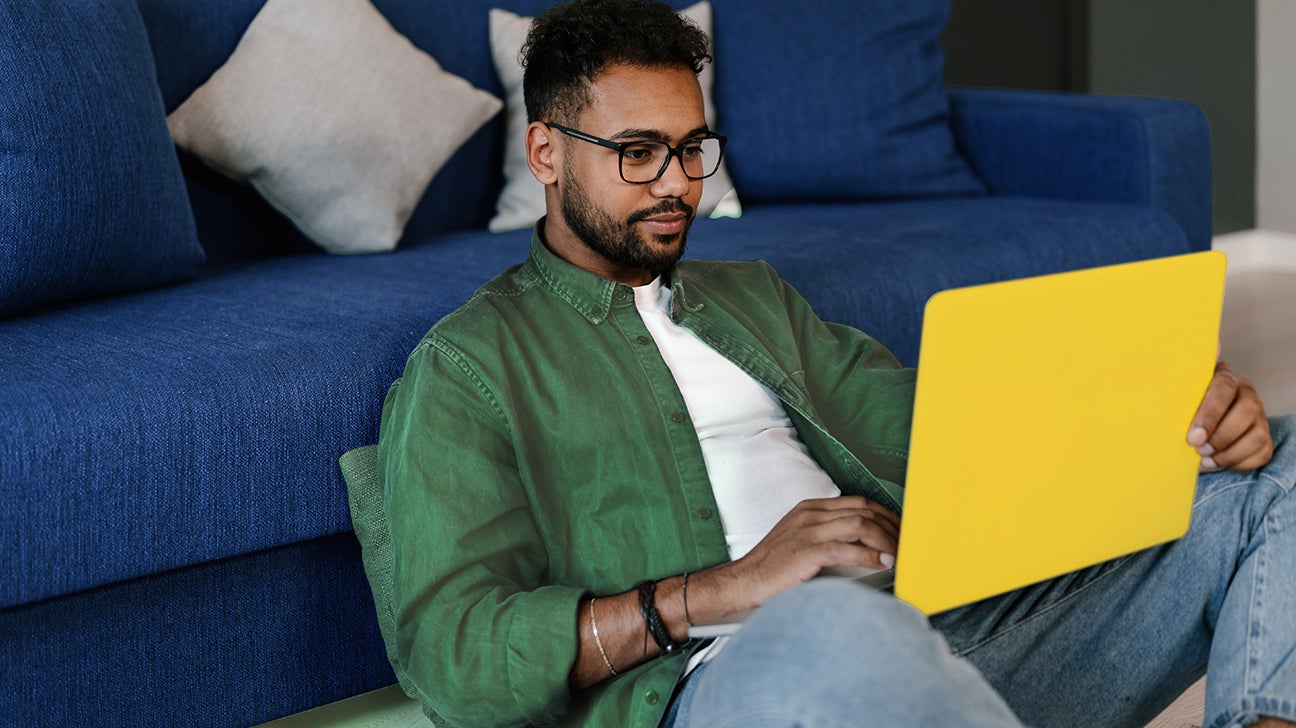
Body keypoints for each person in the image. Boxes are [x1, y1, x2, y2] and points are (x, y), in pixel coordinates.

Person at [377, 1, 1296, 725]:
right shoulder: (469, 367)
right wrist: (727, 588)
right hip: (743, 682)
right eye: (638, 153)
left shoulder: (753, 297)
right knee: (831, 625)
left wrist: (1173, 422)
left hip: (944, 642)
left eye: (693, 150)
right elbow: (451, 655)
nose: (676, 185)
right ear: (545, 151)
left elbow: (936, 431)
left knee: (1281, 462)